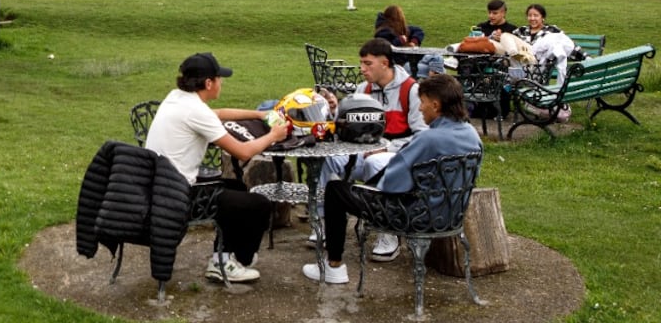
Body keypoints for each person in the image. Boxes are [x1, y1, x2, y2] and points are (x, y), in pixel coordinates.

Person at [303, 73, 482, 284]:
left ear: (436, 105)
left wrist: (378, 183)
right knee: (363, 181)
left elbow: (391, 185)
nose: (420, 108)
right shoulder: (471, 134)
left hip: (413, 216)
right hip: (450, 215)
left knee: (335, 189)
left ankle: (334, 266)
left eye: (423, 102)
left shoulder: (427, 139)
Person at [145, 53, 291, 283]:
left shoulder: (178, 98)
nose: (221, 82)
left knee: (236, 187)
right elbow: (243, 152)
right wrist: (273, 135)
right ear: (208, 83)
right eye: (219, 78)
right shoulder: (196, 112)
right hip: (178, 197)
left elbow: (219, 114)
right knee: (259, 204)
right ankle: (236, 259)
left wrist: (259, 114)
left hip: (158, 187)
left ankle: (222, 257)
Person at [315, 38, 427, 261]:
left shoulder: (410, 90)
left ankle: (387, 231)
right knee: (329, 158)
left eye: (368, 64)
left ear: (384, 63)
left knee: (376, 162)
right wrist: (335, 111)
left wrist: (385, 147)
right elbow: (347, 127)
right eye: (361, 63)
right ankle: (325, 222)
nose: (362, 69)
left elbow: (422, 135)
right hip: (363, 151)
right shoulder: (363, 89)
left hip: (398, 157)